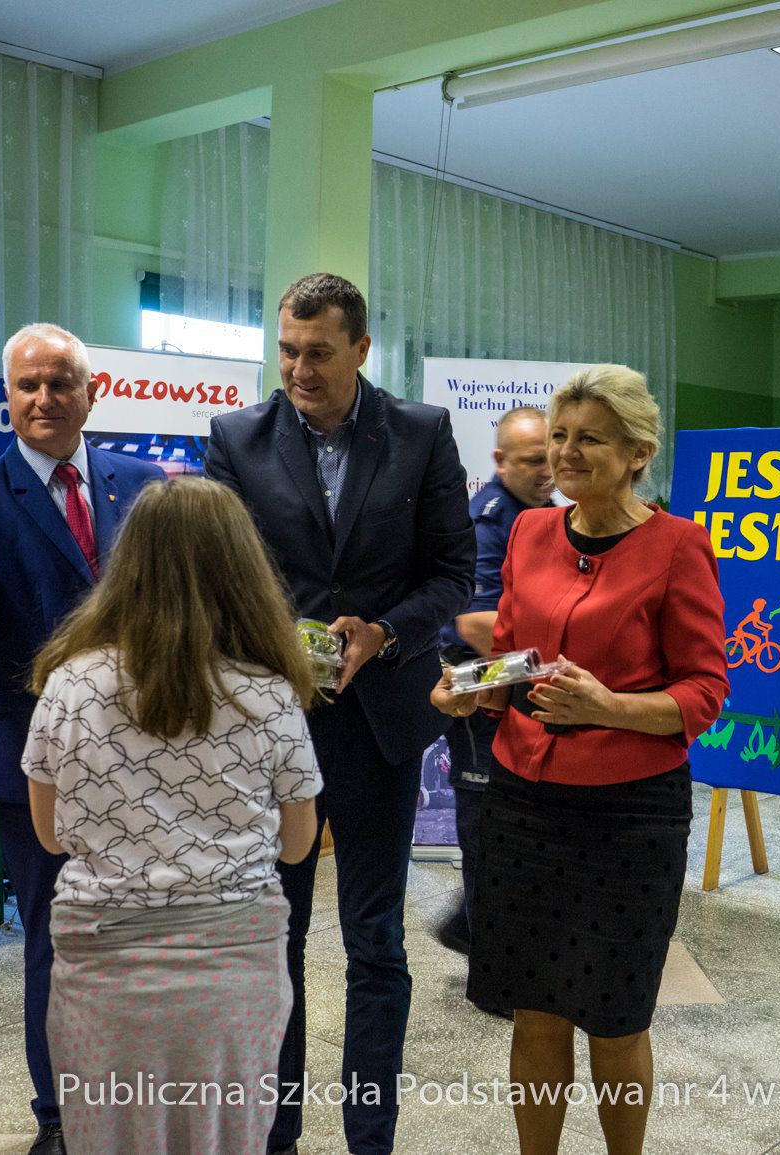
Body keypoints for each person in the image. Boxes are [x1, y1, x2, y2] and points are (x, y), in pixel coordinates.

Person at [203, 273, 473, 1155]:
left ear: (361, 348)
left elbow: (453, 574)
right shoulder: (237, 439)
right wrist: (271, 641)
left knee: (375, 942)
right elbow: (217, 578)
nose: (299, 369)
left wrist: (386, 632)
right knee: (273, 938)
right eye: (287, 350)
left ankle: (370, 1136)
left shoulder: (422, 433)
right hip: (270, 726)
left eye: (318, 352)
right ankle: (275, 1133)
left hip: (380, 726)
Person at [431, 364, 728, 1155]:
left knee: (616, 1015)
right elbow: (512, 654)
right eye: (559, 435)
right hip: (523, 804)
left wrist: (609, 707)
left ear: (637, 453)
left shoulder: (678, 546)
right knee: (534, 1010)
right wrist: (470, 691)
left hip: (629, 815)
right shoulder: (531, 532)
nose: (565, 452)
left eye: (588, 438)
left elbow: (703, 692)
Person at [0, 323, 165, 1155]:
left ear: (93, 392)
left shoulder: (142, 484)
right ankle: (59, 1116)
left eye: (61, 382)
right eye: (28, 385)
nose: (45, 398)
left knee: (143, 939)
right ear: (9, 396)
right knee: (55, 947)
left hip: (149, 754)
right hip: (40, 764)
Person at [21, 476, 322, 1155]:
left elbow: (49, 833)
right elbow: (299, 845)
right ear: (242, 570)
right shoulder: (269, 694)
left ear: (128, 564)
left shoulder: (70, 684)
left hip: (103, 969)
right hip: (234, 972)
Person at [436, 405, 553, 964]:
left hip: (520, 686)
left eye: (551, 456)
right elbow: (477, 625)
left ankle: (472, 926)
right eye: (532, 460)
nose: (547, 470)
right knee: (485, 824)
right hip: (479, 688)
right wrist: (554, 662)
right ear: (501, 461)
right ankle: (487, 956)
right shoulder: (489, 520)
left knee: (515, 824)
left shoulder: (547, 513)